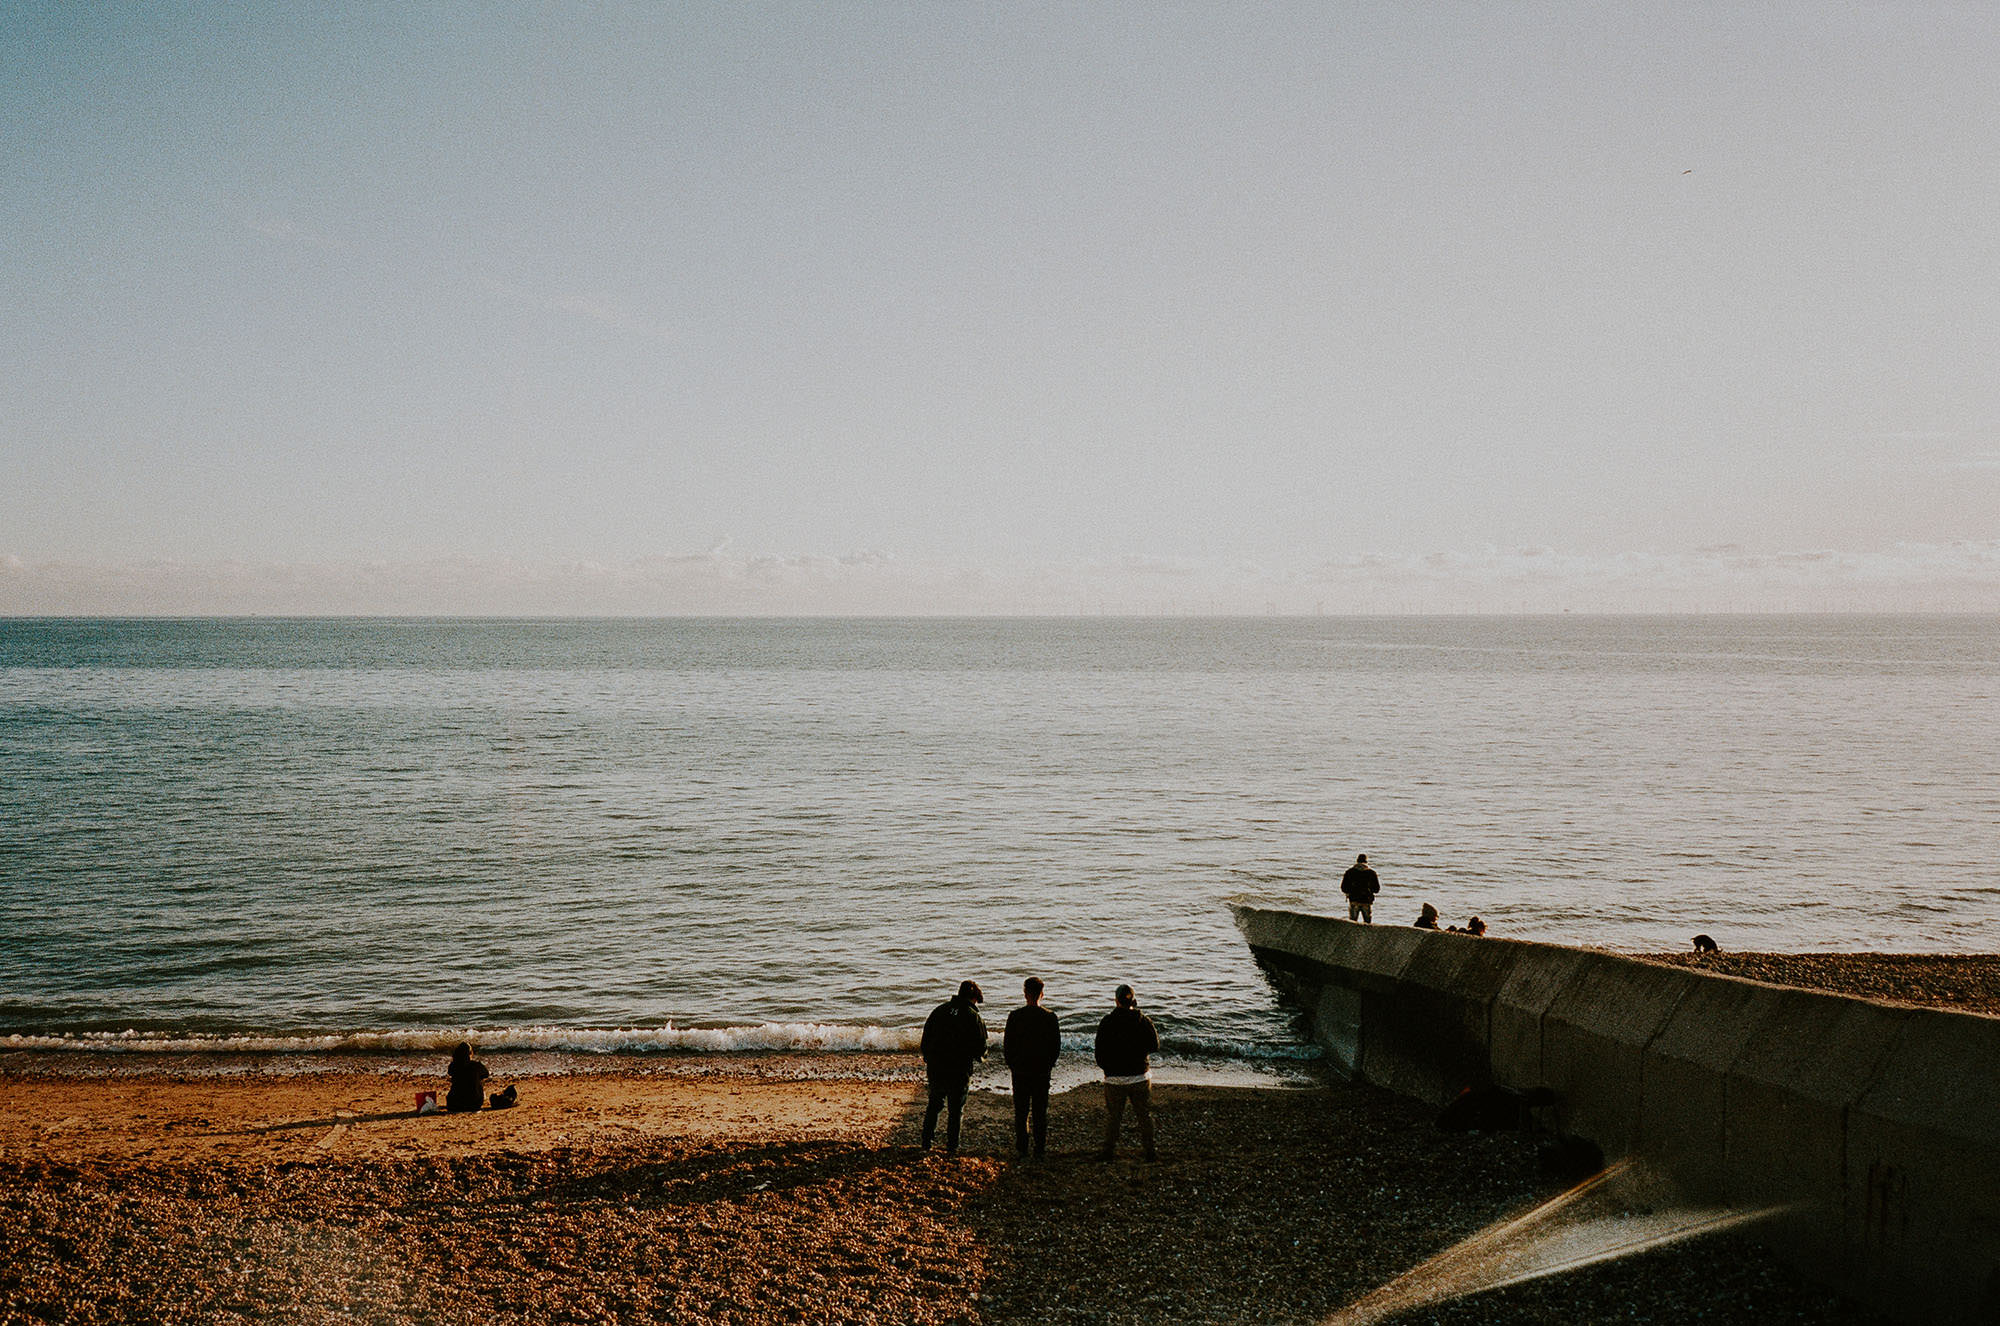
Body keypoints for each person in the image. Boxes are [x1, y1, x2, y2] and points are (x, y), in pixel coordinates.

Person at [919, 980, 987, 1154]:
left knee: (934, 1104)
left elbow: (926, 1038)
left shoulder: (939, 1010)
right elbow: (980, 1047)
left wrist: (928, 1057)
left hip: (937, 1066)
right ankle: (952, 1146)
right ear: (973, 998)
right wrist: (981, 1057)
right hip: (959, 1068)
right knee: (956, 1109)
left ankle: (926, 1142)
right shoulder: (973, 1015)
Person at [1093, 984, 1159, 1161]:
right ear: (1134, 1001)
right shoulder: (1143, 1020)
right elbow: (1155, 1045)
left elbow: (1099, 1051)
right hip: (1139, 1075)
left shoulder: (1107, 1021)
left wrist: (1107, 1067)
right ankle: (1150, 1151)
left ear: (1116, 1001)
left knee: (1114, 1117)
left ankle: (1108, 1151)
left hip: (1114, 1078)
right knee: (1144, 1115)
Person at [1003, 976, 1062, 1158]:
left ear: (1025, 994)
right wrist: (1048, 1065)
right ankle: (1039, 1149)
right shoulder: (1050, 1017)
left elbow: (1008, 1045)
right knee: (1039, 1111)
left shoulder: (1015, 1016)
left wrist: (1013, 1064)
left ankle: (1022, 1148)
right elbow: (1055, 1046)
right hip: (1041, 1071)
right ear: (1042, 994)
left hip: (1020, 1070)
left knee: (1021, 1111)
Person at [445, 1041, 489, 1113]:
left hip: (454, 1105)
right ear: (470, 1053)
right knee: (478, 1079)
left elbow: (450, 1073)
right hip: (474, 1105)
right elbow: (486, 1074)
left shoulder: (453, 1066)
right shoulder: (476, 1066)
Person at [1341, 853, 1381, 923]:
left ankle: (1352, 933)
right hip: (1366, 900)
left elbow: (1343, 888)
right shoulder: (1371, 873)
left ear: (1357, 861)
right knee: (1367, 923)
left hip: (1354, 899)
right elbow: (1376, 889)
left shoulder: (1349, 872)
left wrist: (1350, 892)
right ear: (1366, 862)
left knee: (1352, 922)